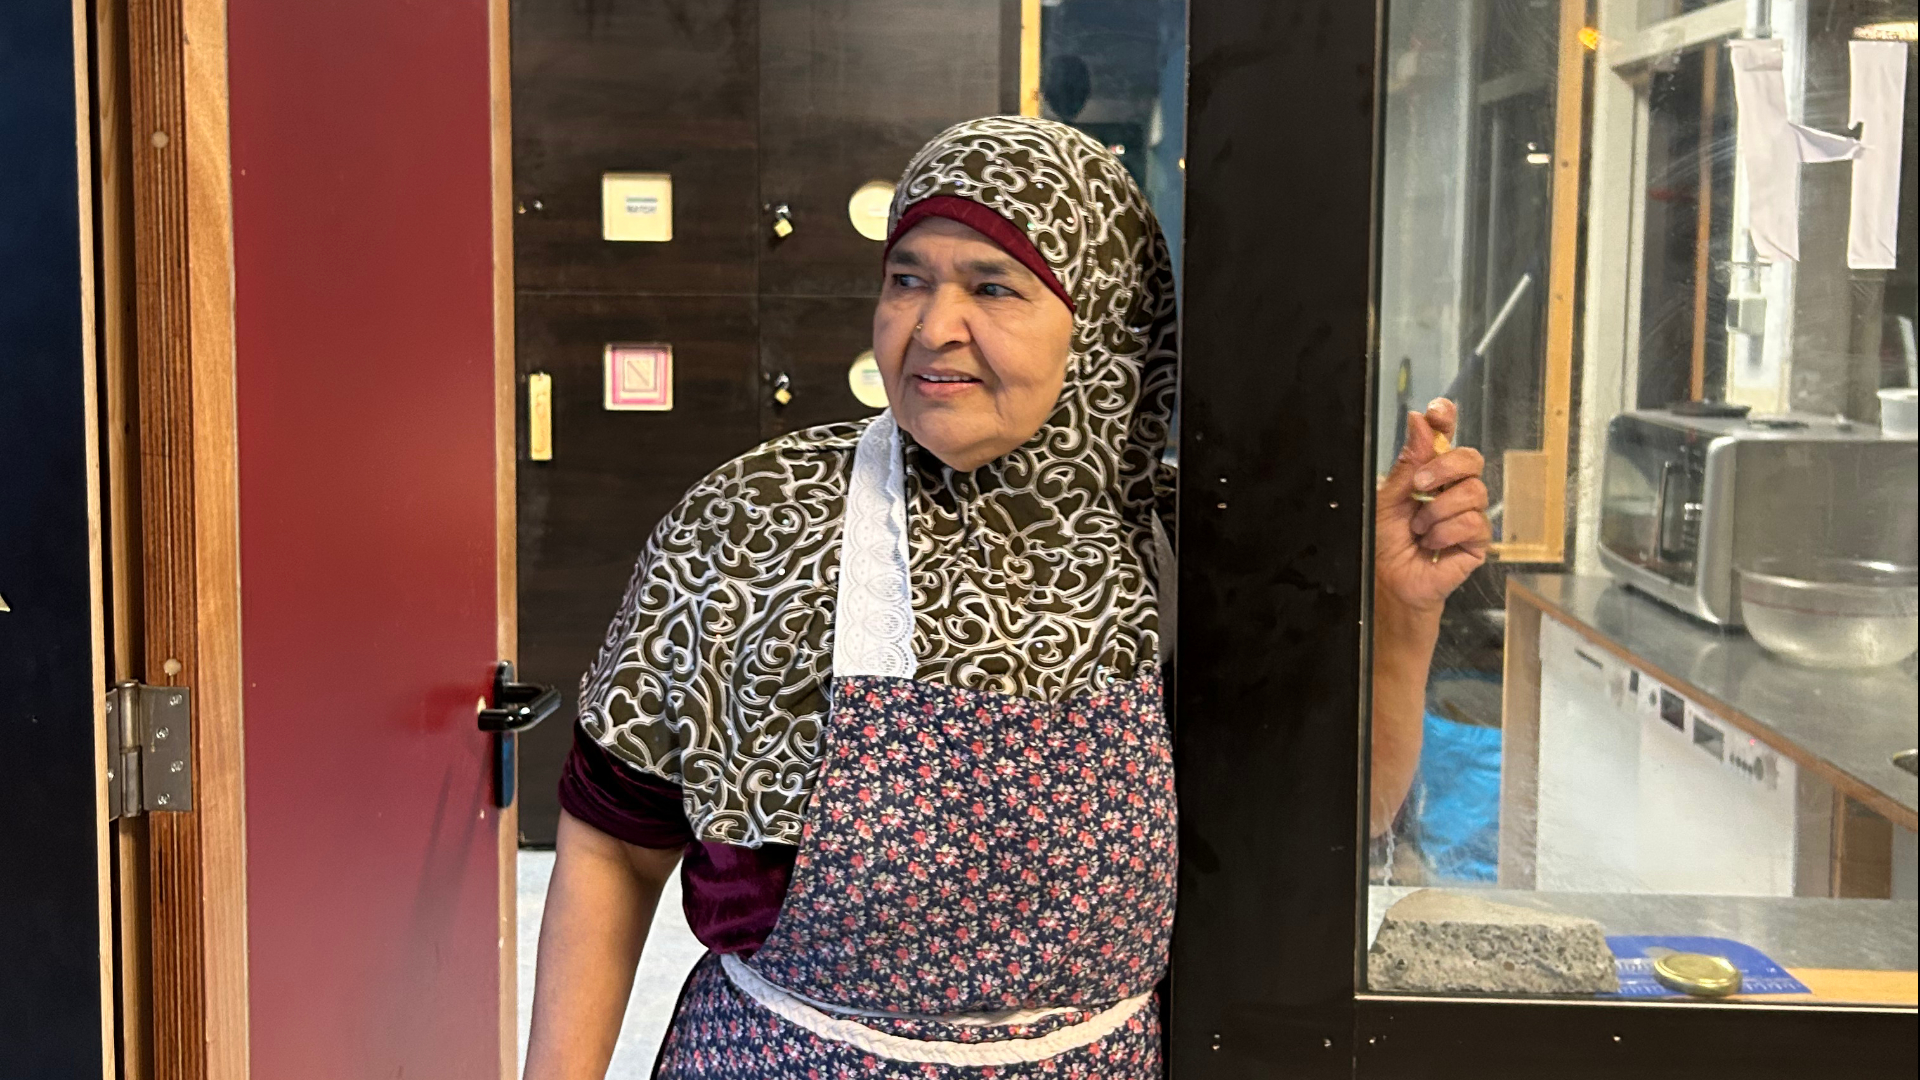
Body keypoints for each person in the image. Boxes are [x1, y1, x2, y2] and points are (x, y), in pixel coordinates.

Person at [524, 116, 1488, 1079]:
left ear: (1103, 326)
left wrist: (1401, 618)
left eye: (992, 286)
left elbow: (1334, 821)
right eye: (907, 278)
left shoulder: (1180, 550)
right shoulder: (755, 522)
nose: (933, 326)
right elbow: (615, 848)